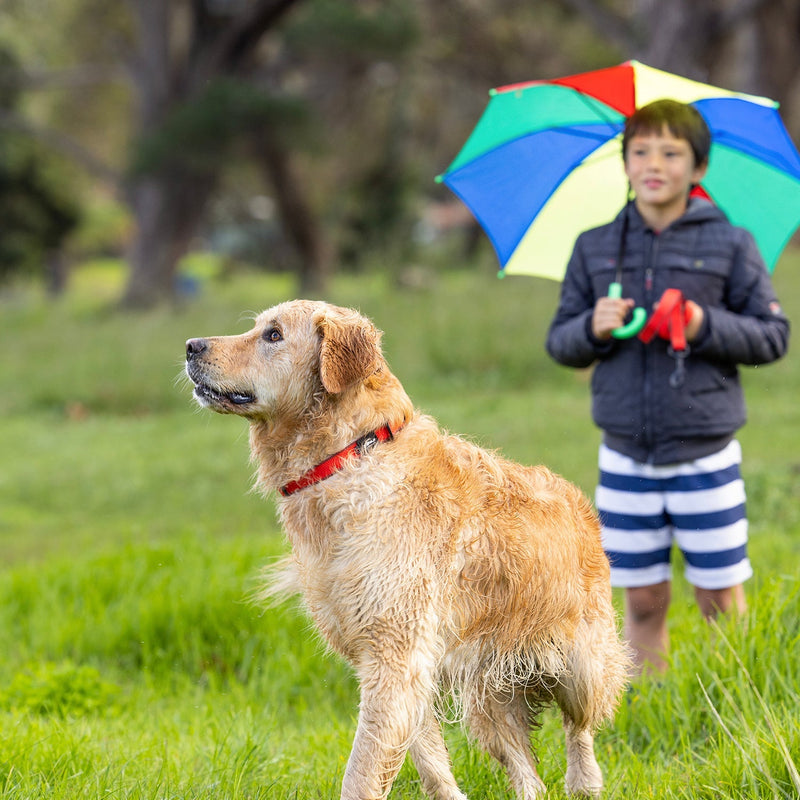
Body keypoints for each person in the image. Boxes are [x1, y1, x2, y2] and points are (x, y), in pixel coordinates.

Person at [545, 99, 790, 674]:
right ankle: (651, 701)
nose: (654, 163)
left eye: (671, 152)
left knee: (719, 596)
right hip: (625, 454)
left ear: (698, 169)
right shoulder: (595, 245)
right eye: (640, 151)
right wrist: (593, 327)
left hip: (704, 452)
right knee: (643, 596)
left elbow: (773, 336)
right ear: (625, 163)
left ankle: (736, 695)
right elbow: (560, 342)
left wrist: (706, 324)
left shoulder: (732, 243)